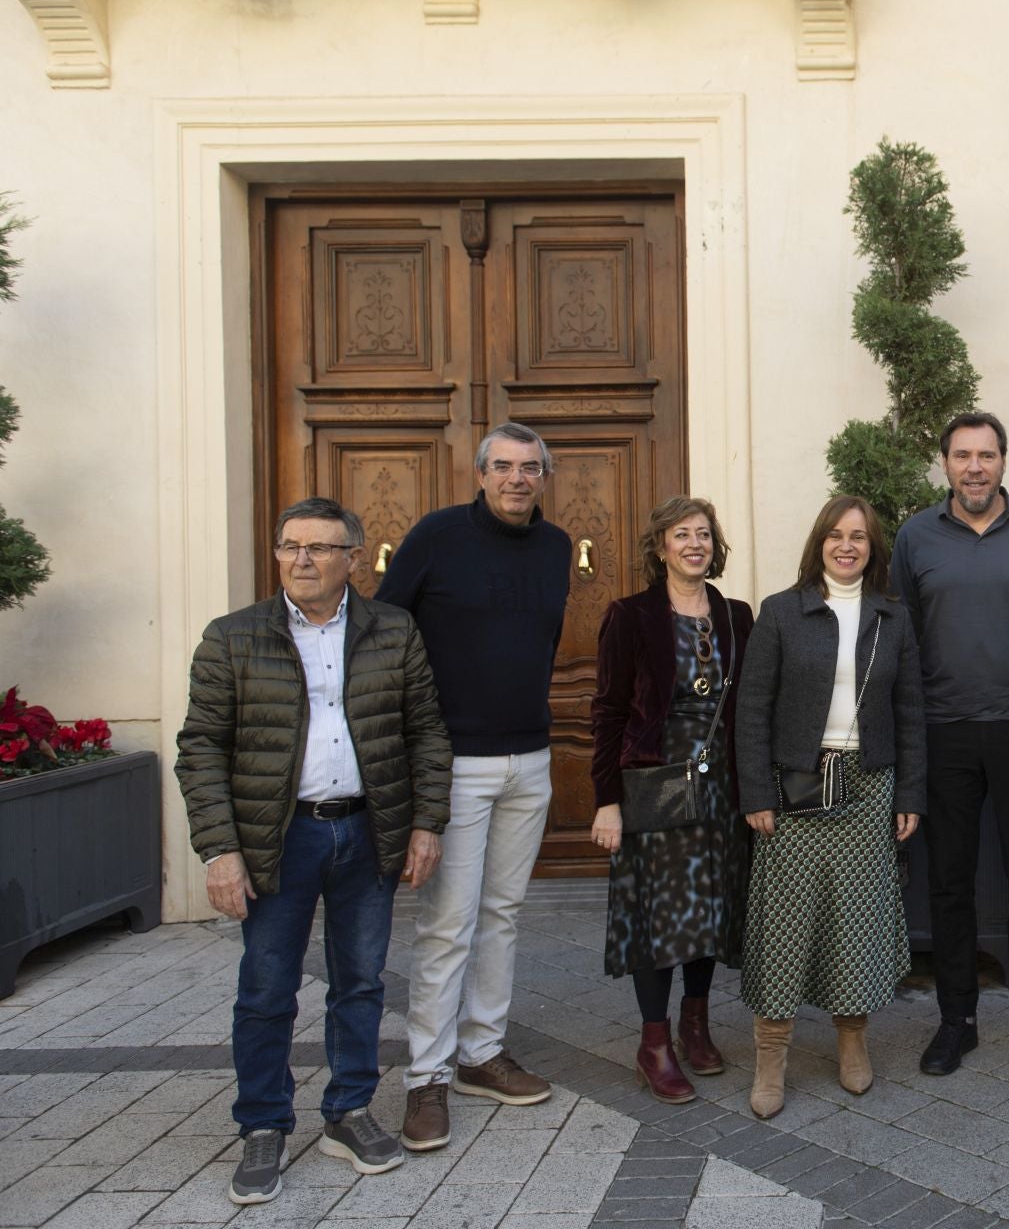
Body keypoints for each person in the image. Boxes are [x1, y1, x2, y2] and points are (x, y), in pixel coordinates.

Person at [176, 498, 450, 1205]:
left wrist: (425, 824)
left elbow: (425, 732)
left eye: (320, 548)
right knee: (267, 991)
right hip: (278, 838)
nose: (301, 560)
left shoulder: (393, 629)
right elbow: (200, 749)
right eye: (291, 546)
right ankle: (263, 1125)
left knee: (360, 982)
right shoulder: (233, 637)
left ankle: (349, 1111)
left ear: (353, 559)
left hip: (368, 831)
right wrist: (220, 850)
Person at [376, 422, 571, 1151]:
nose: (518, 479)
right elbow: (388, 632)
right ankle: (425, 1077)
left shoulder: (555, 548)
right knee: (447, 923)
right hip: (454, 760)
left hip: (532, 757)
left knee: (503, 912)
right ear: (480, 473)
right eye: (504, 467)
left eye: (530, 468)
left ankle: (482, 1054)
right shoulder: (436, 536)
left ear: (544, 477)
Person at [892, 410, 1009, 1076]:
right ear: (944, 463)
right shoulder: (916, 537)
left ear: (1004, 462)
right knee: (949, 882)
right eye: (963, 455)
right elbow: (900, 645)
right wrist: (908, 741)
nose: (975, 466)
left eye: (987, 455)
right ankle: (956, 1020)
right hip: (943, 732)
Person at [732, 495, 927, 1118]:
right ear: (819, 541)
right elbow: (752, 708)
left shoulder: (891, 617)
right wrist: (757, 792)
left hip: (868, 788)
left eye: (861, 537)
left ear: (873, 549)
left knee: (856, 926)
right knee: (784, 925)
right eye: (837, 535)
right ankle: (771, 1055)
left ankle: (851, 1041)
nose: (848, 546)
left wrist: (910, 793)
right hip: (795, 790)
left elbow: (911, 712)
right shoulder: (783, 612)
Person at [587, 496, 756, 1103]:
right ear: (660, 547)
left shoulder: (737, 616)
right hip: (655, 784)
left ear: (716, 546)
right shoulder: (630, 616)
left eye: (704, 535)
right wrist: (607, 800)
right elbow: (607, 712)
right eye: (681, 535)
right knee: (662, 914)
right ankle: (653, 1043)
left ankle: (696, 1022)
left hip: (720, 785)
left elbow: (749, 708)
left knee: (710, 906)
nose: (694, 544)